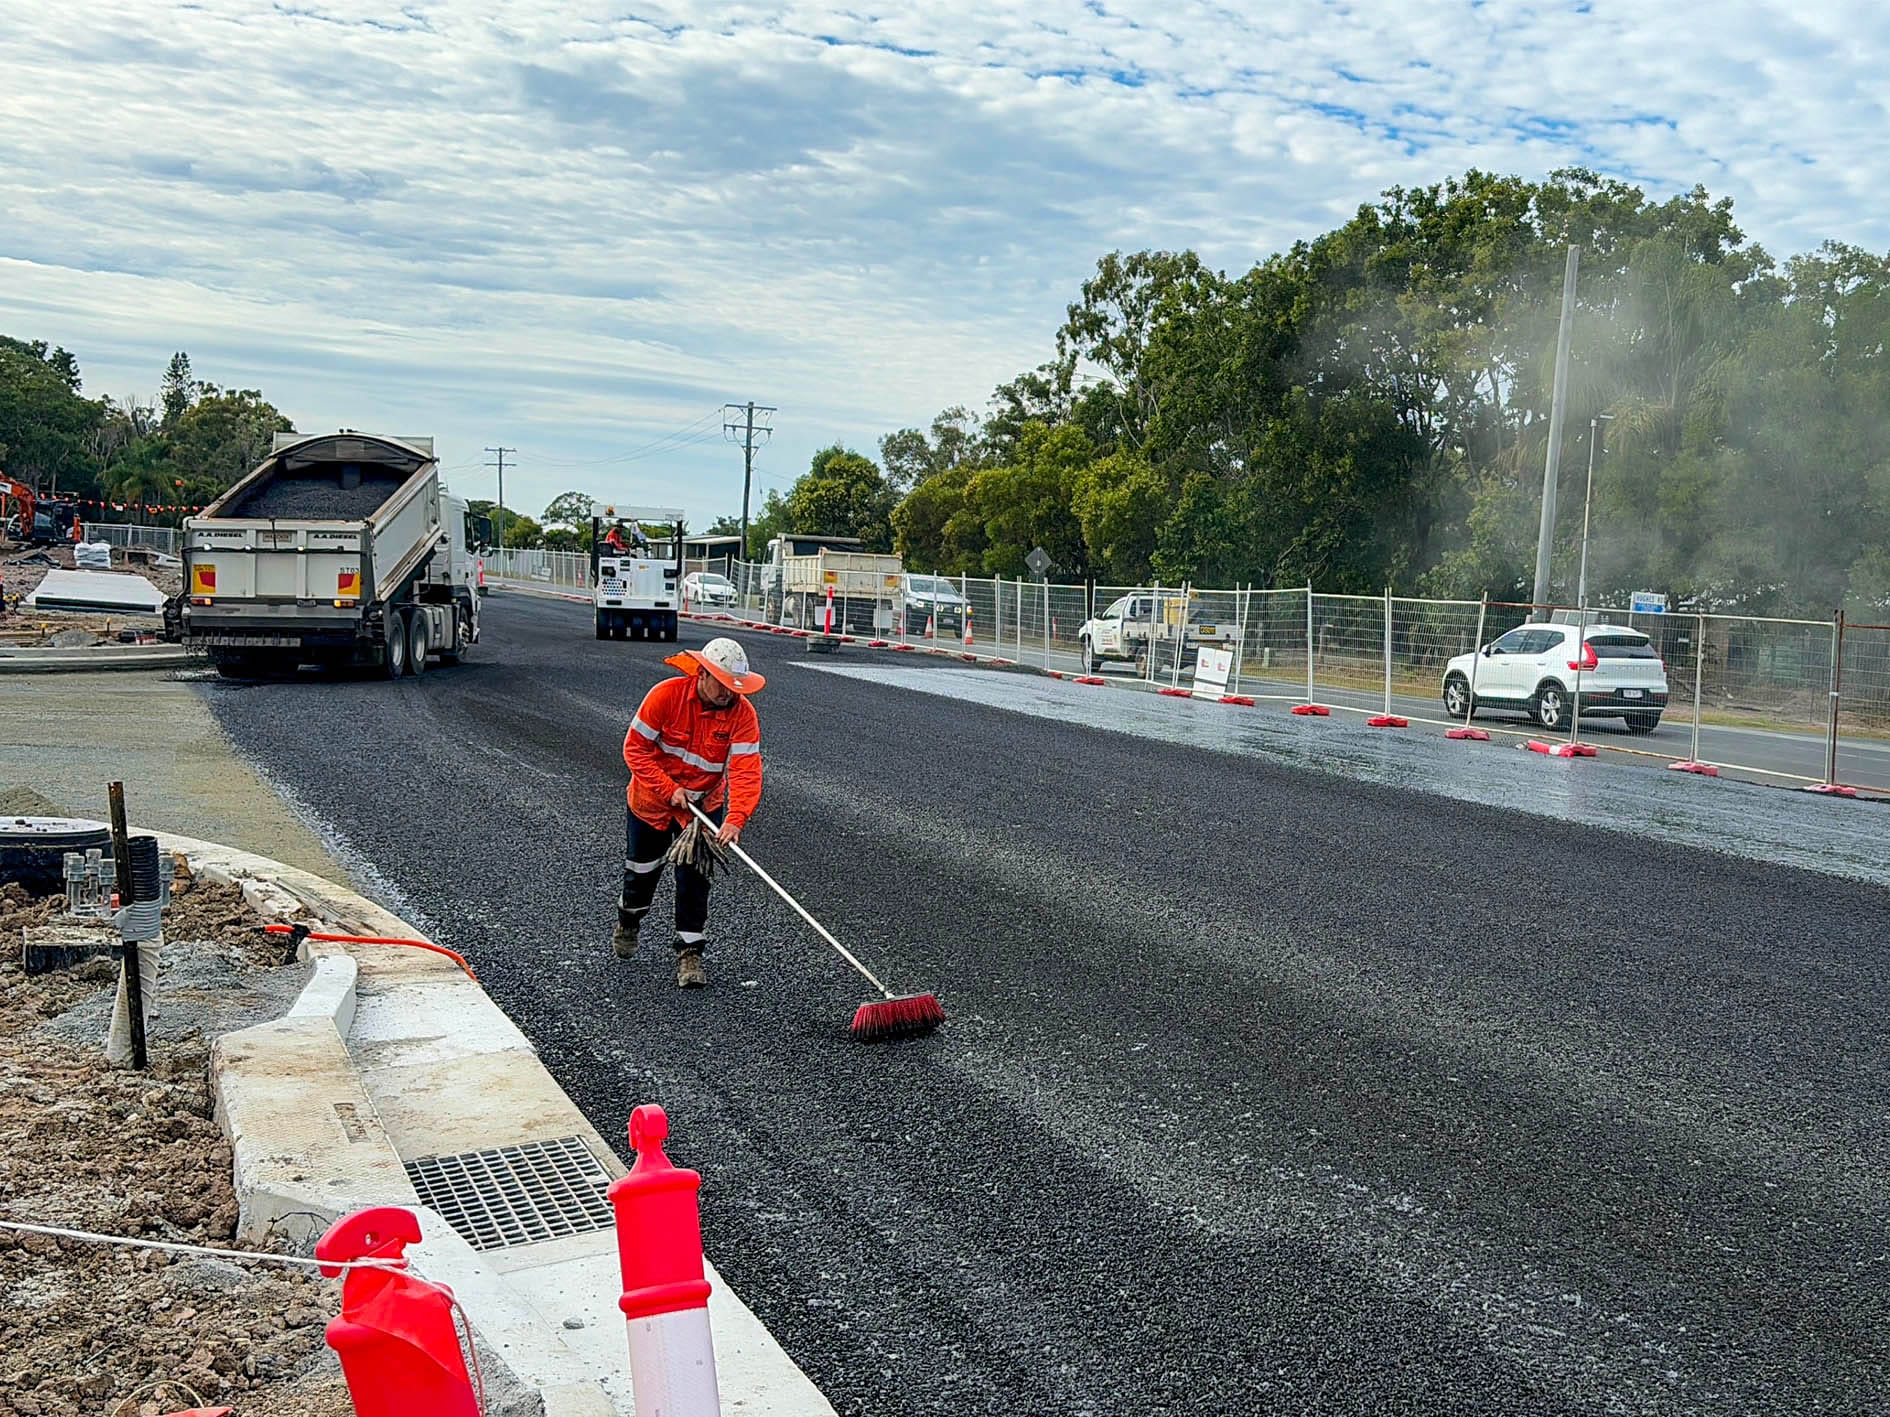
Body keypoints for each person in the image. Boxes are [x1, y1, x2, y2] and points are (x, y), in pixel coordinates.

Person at [617, 637, 764, 986]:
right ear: (702, 674)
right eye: (723, 684)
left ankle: (690, 953)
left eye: (735, 686)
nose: (730, 693)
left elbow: (746, 769)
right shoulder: (665, 696)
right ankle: (629, 919)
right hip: (651, 803)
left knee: (695, 879)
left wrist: (735, 818)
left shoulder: (743, 714)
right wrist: (669, 790)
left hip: (703, 807)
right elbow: (635, 749)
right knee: (642, 872)